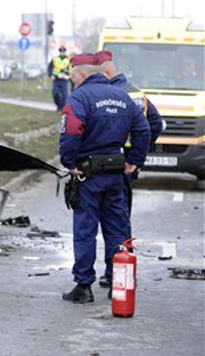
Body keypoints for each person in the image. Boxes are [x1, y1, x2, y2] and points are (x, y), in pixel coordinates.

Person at [59, 53, 150, 303]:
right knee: (117, 229)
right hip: (116, 174)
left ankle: (83, 286)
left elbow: (70, 131)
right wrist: (135, 161)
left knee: (85, 230)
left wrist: (69, 163)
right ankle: (118, 282)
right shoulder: (122, 96)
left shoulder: (79, 97)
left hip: (88, 175)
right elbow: (144, 129)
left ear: (81, 74)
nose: (72, 81)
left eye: (72, 76)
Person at [94, 50, 164, 288]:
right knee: (122, 219)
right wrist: (137, 155)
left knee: (109, 220)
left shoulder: (110, 95)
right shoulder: (138, 94)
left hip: (110, 161)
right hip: (128, 165)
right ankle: (121, 270)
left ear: (106, 72)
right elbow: (157, 124)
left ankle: (112, 270)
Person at [47, 46, 70, 111]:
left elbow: (71, 69)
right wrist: (50, 75)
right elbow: (50, 67)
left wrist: (68, 74)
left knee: (64, 95)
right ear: (59, 52)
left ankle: (61, 108)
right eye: (61, 51)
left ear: (65, 52)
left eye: (63, 51)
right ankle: (58, 105)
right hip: (56, 79)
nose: (62, 52)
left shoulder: (69, 59)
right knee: (55, 93)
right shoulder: (55, 58)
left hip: (64, 79)